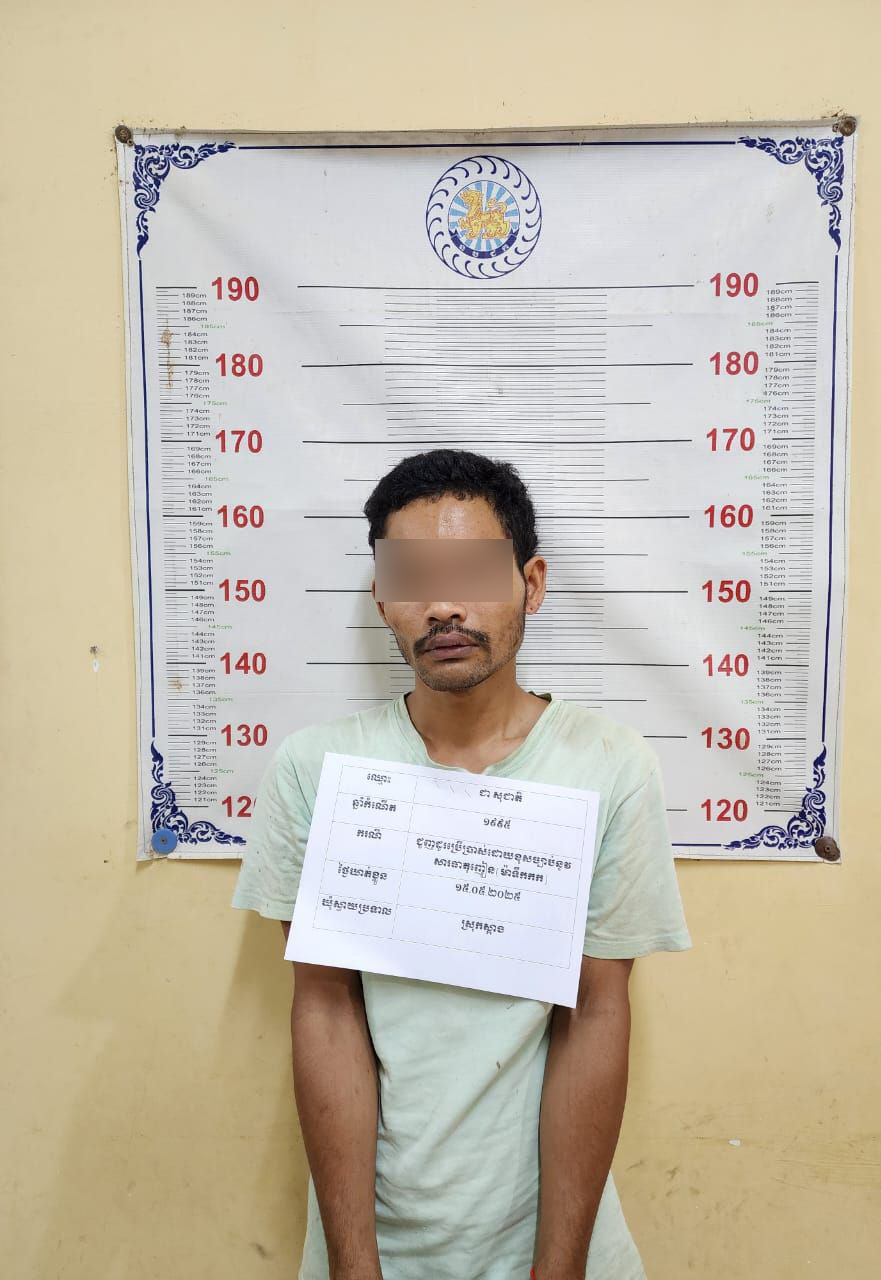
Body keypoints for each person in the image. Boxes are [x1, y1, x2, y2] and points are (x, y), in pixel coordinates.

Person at [231, 448, 693, 1280]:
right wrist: (354, 1265)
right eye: (412, 577)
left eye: (475, 574)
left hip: (558, 1242)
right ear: (383, 599)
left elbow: (596, 1009)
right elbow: (325, 1008)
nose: (443, 605)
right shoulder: (317, 769)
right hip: (370, 1244)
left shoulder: (609, 765)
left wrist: (559, 1268)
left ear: (532, 583)